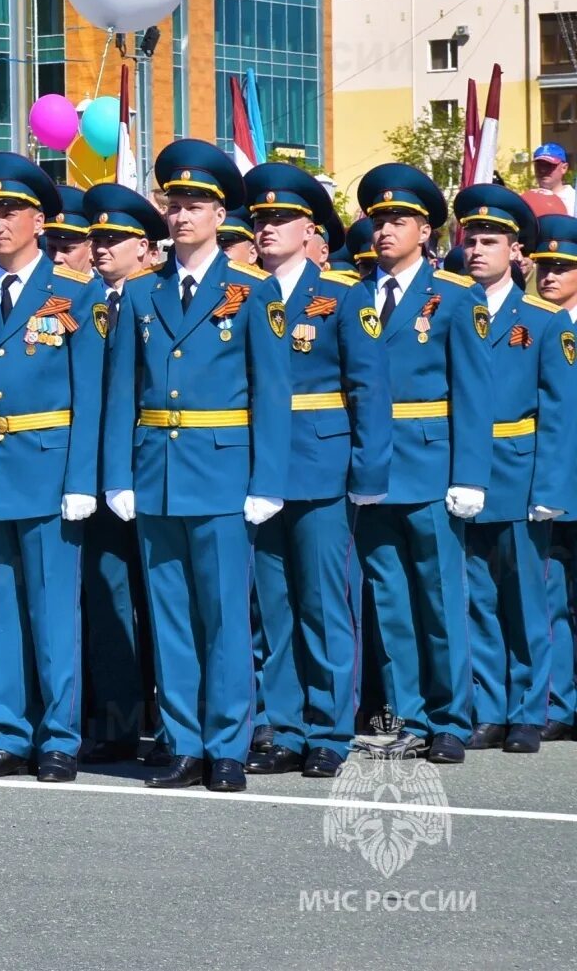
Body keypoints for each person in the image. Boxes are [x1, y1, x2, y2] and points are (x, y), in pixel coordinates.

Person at [101, 140, 291, 792]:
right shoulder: (142, 293)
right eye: (174, 204)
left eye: (195, 205)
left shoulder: (250, 290)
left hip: (222, 473)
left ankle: (228, 744)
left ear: (219, 214)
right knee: (172, 617)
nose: (181, 215)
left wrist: (268, 480)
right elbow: (121, 392)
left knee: (225, 618)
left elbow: (272, 392)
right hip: (156, 472)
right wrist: (117, 475)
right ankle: (184, 742)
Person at [0, 155, 105, 784]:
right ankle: (10, 732)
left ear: (40, 219)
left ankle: (59, 736)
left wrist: (84, 479)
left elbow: (91, 397)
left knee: (53, 612)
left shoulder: (76, 295)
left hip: (48, 468)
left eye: (9, 213)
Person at [240, 163, 390, 780]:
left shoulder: (343, 295)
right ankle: (288, 723)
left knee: (325, 601)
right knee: (272, 602)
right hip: (256, 468)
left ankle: (329, 728)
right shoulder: (243, 292)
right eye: (261, 219)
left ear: (310, 229)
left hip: (319, 461)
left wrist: (367, 470)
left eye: (281, 218)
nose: (268, 228)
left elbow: (369, 387)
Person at [350, 164, 492, 764]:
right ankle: (408, 715)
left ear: (426, 231)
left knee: (438, 599)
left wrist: (470, 475)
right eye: (379, 220)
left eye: (399, 220)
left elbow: (474, 392)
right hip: (371, 473)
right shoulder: (351, 296)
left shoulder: (457, 298)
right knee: (391, 600)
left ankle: (451, 719)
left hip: (432, 466)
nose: (385, 230)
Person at [452, 185, 575, 756]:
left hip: (519, 469)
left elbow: (559, 411)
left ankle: (530, 708)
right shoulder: (451, 308)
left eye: (491, 240)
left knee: (528, 596)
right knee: (476, 594)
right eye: (471, 239)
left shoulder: (545, 321)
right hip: (463, 472)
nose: (478, 249)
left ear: (516, 250)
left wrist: (550, 487)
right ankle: (490, 706)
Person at [78, 182, 168, 762]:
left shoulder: (160, 296)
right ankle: (115, 722)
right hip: (96, 474)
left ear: (147, 248)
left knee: (163, 600)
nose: (102, 247)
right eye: (99, 238)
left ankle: (170, 724)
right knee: (108, 598)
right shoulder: (79, 301)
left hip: (159, 468)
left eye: (116, 238)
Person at [527, 215, 577, 741]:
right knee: (552, 597)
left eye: (563, 268)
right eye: (545, 267)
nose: (550, 276)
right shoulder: (535, 324)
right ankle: (559, 701)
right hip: (551, 485)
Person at [43, 188, 94, 276]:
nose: (57, 258)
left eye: (67, 250)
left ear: (92, 250)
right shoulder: (31, 287)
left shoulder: (102, 289)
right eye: (52, 248)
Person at [533, 144, 576, 214]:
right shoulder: (528, 199)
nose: (542, 170)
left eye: (549, 165)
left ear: (564, 168)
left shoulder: (574, 201)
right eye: (539, 165)